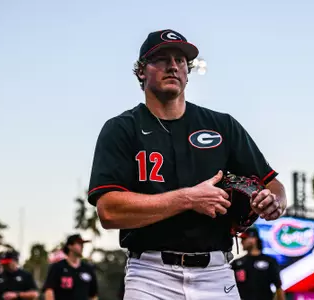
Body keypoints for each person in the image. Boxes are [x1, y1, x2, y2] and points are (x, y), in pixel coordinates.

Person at [87, 28, 288, 300]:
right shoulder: (121, 129)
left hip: (216, 272)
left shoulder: (222, 125)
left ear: (187, 71)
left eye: (180, 60)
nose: (173, 66)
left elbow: (272, 185)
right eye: (161, 58)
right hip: (150, 274)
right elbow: (109, 211)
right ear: (141, 71)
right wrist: (188, 198)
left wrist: (274, 201)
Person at [230, 227, 285, 300]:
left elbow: (278, 286)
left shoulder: (269, 261)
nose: (241, 242)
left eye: (244, 239)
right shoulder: (236, 263)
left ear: (254, 239)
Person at [41, 234, 98, 300]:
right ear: (70, 246)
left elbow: (93, 295)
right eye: (79, 243)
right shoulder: (57, 267)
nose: (82, 246)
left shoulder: (88, 269)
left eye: (83, 244)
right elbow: (49, 291)